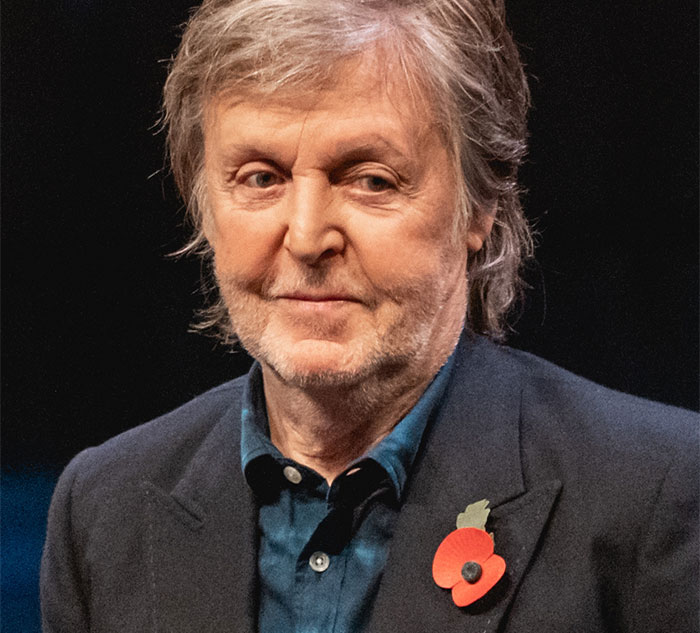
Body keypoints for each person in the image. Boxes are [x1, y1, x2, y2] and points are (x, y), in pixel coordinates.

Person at [40, 1, 698, 631]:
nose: (306, 236)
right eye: (261, 178)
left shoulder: (657, 496)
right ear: (203, 203)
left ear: (479, 205)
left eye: (371, 179)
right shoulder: (103, 509)